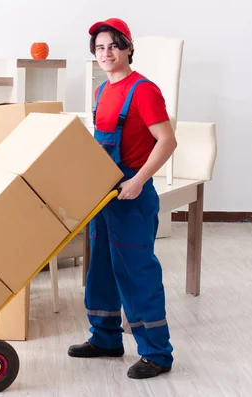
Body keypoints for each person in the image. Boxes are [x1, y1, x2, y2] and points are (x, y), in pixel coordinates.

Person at [67, 18, 178, 379]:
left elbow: (167, 141)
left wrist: (138, 181)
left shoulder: (144, 90)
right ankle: (105, 338)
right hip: (105, 193)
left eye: (113, 45)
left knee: (136, 273)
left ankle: (157, 354)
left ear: (128, 47)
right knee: (100, 267)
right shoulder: (103, 91)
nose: (106, 53)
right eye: (100, 47)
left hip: (132, 194)